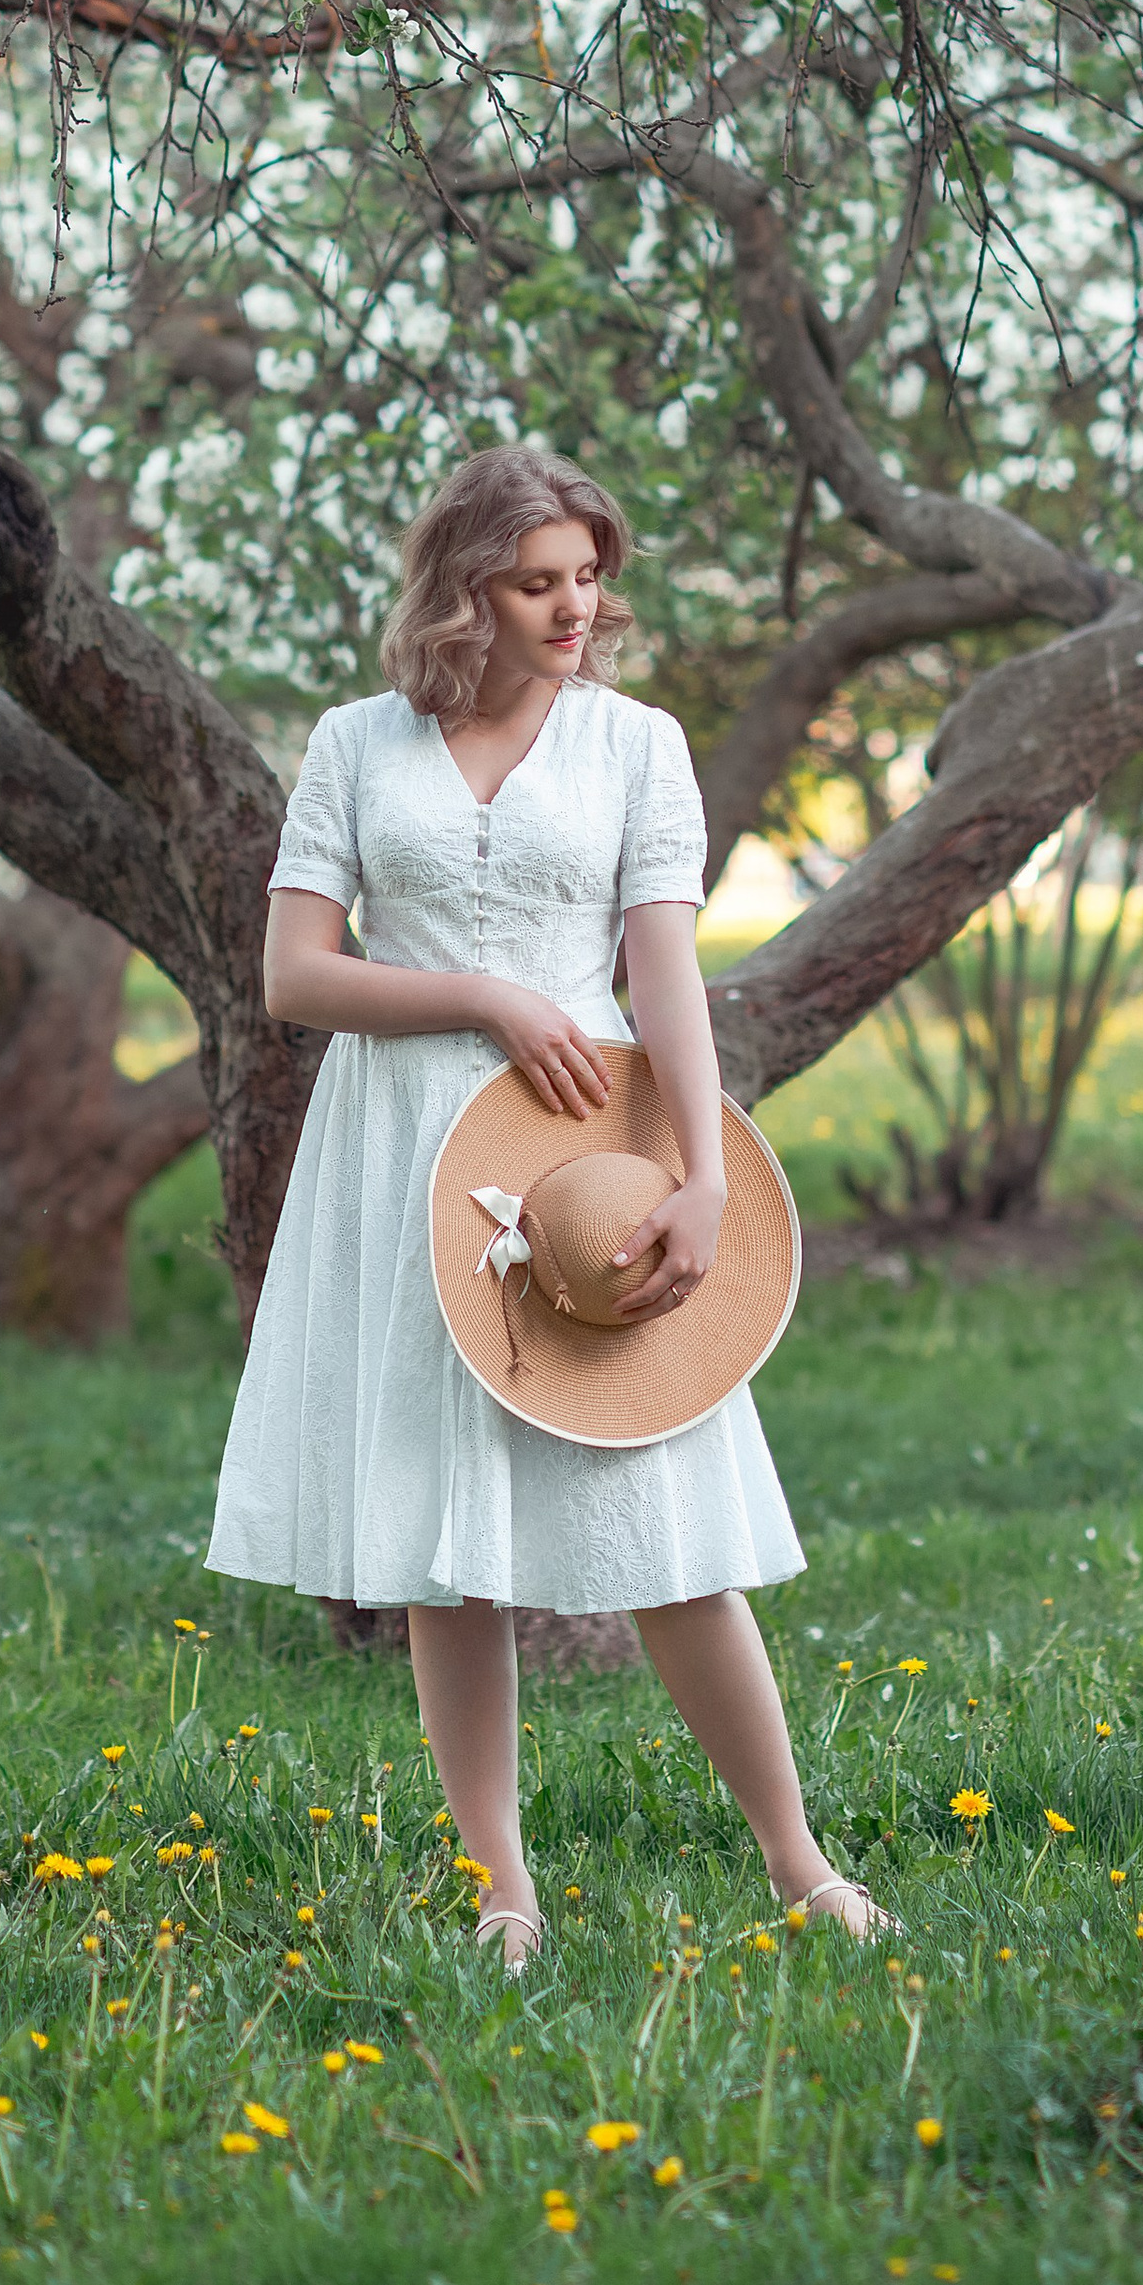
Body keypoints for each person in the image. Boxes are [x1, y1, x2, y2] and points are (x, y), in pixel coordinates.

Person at [207, 440, 881, 1963]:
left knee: (664, 1523)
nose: (575, 606)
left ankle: (801, 1864)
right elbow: (296, 972)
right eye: (538, 582)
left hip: (591, 1150)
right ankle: (501, 1888)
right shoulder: (356, 746)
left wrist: (708, 1173)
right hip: (406, 1149)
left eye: (588, 576)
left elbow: (660, 966)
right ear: (465, 591)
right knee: (450, 1546)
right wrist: (486, 999)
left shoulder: (637, 746)